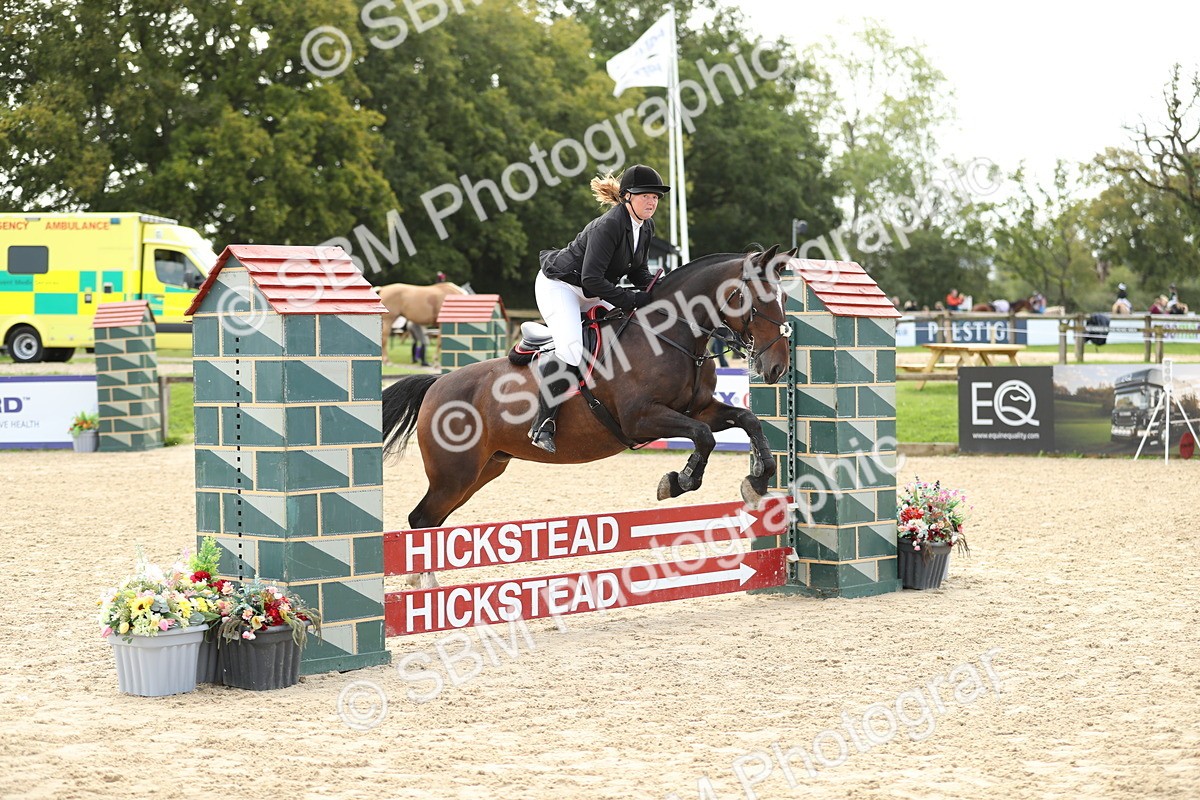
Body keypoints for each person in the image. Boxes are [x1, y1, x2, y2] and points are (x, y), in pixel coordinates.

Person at [529, 164, 669, 453]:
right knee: (570, 348)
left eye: (656, 197)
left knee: (630, 329)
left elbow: (638, 272)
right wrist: (630, 299)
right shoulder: (610, 225)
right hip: (561, 286)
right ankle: (542, 423)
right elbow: (591, 278)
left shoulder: (645, 227)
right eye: (646, 196)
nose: (652, 201)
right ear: (628, 196)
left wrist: (662, 288)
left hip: (592, 289)